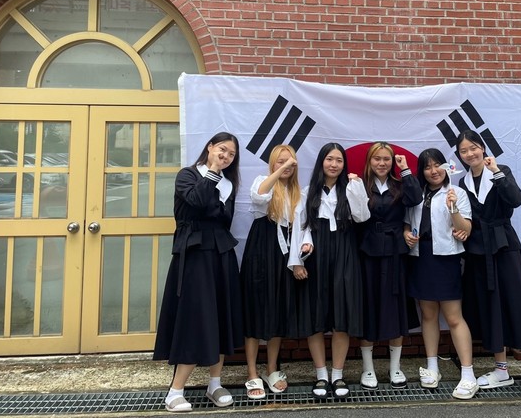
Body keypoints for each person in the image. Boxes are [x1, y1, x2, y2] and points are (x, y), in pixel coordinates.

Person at [455, 129, 521, 408]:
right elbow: (466, 218)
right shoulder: (462, 182)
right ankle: (501, 370)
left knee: (519, 306)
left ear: (482, 148)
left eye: (473, 148)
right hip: (478, 251)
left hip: (505, 248)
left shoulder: (500, 170)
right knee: (491, 308)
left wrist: (497, 173)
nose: (470, 154)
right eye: (464, 151)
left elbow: (516, 199)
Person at [153, 132, 243, 412]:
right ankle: (175, 391)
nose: (225, 156)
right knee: (194, 317)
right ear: (210, 147)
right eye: (222, 150)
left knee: (221, 315)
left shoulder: (229, 184)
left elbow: (224, 220)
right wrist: (213, 171)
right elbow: (197, 201)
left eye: (231, 154)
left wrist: (219, 178)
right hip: (194, 255)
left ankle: (215, 384)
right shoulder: (188, 175)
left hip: (221, 254)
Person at [291, 142, 370, 400]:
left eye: (338, 160)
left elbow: (362, 216)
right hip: (315, 253)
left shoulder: (350, 188)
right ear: (321, 162)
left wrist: (357, 188)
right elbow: (300, 227)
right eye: (329, 159)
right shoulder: (307, 192)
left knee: (341, 315)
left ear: (344, 164)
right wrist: (297, 261)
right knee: (315, 315)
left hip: (345, 251)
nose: (334, 164)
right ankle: (321, 375)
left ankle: (337, 374)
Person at [403, 147, 478, 400]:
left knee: (454, 317)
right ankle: (432, 366)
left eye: (437, 165)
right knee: (428, 314)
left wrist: (453, 208)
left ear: (446, 167)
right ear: (422, 171)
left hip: (446, 258)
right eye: (427, 167)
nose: (433, 171)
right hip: (421, 257)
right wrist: (406, 233)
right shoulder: (417, 193)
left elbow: (466, 229)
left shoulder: (457, 192)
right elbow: (407, 222)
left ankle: (468, 374)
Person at [240, 145, 311, 399]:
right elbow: (259, 196)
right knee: (255, 310)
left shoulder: (298, 192)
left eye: (290, 162)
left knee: (279, 308)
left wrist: (300, 257)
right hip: (261, 250)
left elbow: (303, 227)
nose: (286, 166)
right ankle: (251, 371)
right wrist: (280, 170)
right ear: (272, 164)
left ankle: (271, 369)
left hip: (286, 254)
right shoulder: (263, 181)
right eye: (280, 162)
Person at [358, 142, 422, 390]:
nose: (382, 163)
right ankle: (368, 369)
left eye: (387, 159)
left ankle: (395, 367)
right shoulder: (360, 185)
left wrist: (405, 170)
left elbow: (415, 198)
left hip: (396, 251)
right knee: (368, 307)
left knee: (396, 308)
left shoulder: (400, 184)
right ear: (369, 161)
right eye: (377, 159)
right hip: (367, 251)